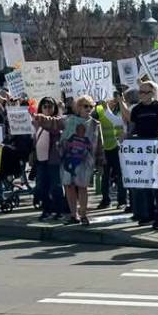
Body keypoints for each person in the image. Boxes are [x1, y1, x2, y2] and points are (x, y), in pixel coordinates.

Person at [37, 95, 104, 225]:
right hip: (68, 158)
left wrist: (101, 162)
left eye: (91, 106)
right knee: (69, 186)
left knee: (82, 187)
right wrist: (41, 118)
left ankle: (83, 215)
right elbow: (53, 122)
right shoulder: (68, 120)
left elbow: (100, 145)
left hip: (85, 162)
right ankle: (74, 215)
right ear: (78, 107)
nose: (89, 109)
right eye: (86, 106)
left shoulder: (95, 124)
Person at [121, 80, 158, 229]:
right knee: (145, 184)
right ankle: (148, 215)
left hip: (157, 149)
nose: (141, 95)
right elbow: (132, 129)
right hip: (142, 151)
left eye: (144, 92)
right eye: (140, 92)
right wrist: (126, 136)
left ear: (153, 93)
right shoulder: (136, 109)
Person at [33, 97, 65, 220]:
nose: (47, 108)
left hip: (53, 159)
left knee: (55, 186)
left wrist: (61, 110)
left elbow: (55, 127)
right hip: (41, 159)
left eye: (50, 106)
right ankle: (46, 210)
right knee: (42, 186)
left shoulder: (57, 121)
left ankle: (59, 211)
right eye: (44, 106)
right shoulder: (36, 121)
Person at [96, 94, 127, 209]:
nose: (113, 100)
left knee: (120, 176)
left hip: (119, 149)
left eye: (115, 97)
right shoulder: (99, 109)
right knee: (105, 176)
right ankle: (105, 200)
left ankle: (122, 200)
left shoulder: (123, 110)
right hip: (105, 149)